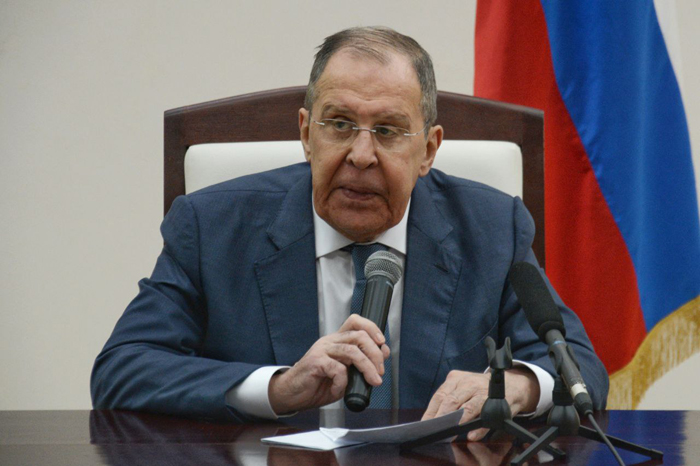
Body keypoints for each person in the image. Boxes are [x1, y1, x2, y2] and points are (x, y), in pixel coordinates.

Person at [91, 27, 608, 437]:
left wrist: (515, 385)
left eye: (388, 131)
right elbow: (122, 369)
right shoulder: (212, 227)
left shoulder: (491, 227)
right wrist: (277, 388)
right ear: (305, 133)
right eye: (339, 124)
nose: (361, 156)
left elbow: (580, 366)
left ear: (428, 150)